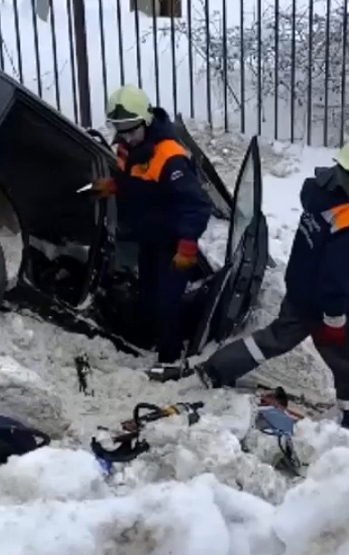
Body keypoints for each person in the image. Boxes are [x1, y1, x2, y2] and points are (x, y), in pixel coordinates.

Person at [194, 132, 349, 439]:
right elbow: (337, 277)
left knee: (274, 338)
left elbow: (326, 237)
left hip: (300, 291)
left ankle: (217, 369)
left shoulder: (321, 193)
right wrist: (335, 319)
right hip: (326, 305)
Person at [91, 84, 213, 371]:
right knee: (147, 296)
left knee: (166, 304)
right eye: (121, 130)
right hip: (149, 239)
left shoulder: (170, 157)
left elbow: (197, 205)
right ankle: (152, 343)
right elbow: (140, 185)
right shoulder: (128, 147)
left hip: (175, 244)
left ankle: (170, 361)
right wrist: (114, 186)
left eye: (132, 130)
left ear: (146, 121)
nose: (127, 137)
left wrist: (187, 245)